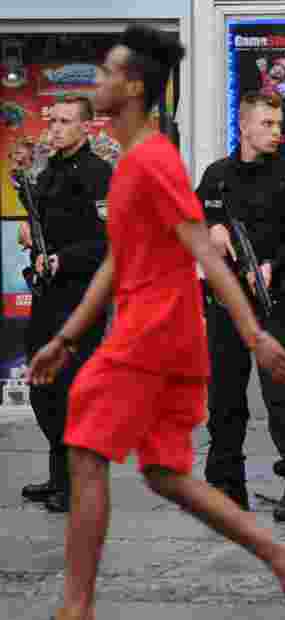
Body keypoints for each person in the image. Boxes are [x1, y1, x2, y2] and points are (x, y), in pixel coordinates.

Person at [27, 25, 285, 620]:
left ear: (134, 86)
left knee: (84, 449)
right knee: (166, 474)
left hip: (153, 337)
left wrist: (253, 334)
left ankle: (74, 609)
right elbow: (117, 261)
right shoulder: (140, 161)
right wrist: (65, 338)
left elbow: (207, 255)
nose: (99, 82)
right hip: (162, 335)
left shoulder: (154, 162)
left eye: (110, 72)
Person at [195, 91, 285, 522]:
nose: (275, 132)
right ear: (244, 126)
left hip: (276, 306)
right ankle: (226, 487)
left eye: (278, 124)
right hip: (224, 305)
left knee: (284, 398)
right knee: (225, 401)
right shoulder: (216, 177)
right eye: (266, 124)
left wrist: (274, 263)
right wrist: (210, 229)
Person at [16, 97, 112, 514]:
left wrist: (62, 258)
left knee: (71, 391)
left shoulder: (99, 175)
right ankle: (60, 475)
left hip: (82, 297)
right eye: (51, 121)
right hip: (48, 294)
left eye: (65, 122)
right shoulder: (49, 171)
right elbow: (42, 223)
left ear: (86, 128)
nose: (54, 128)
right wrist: (31, 235)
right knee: (43, 388)